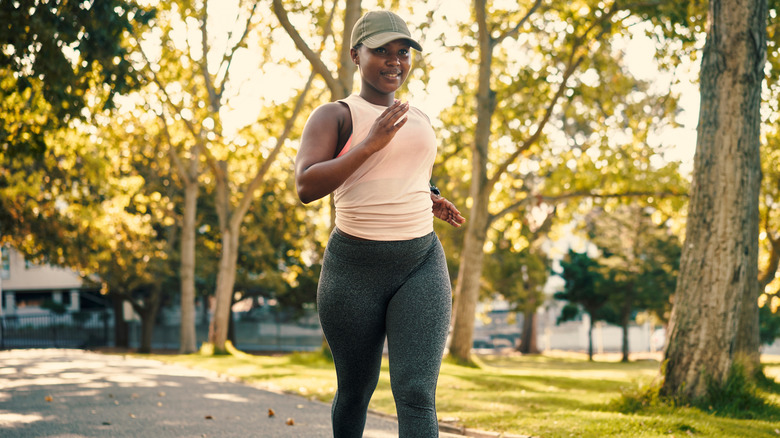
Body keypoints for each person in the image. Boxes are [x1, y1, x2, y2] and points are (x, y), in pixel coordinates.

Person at [294, 10, 466, 438]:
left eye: (402, 52)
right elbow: (306, 184)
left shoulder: (419, 117)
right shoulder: (334, 115)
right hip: (353, 269)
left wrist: (431, 198)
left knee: (416, 392)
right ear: (356, 55)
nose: (395, 61)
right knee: (355, 390)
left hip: (419, 261)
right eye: (382, 52)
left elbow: (406, 174)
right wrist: (368, 145)